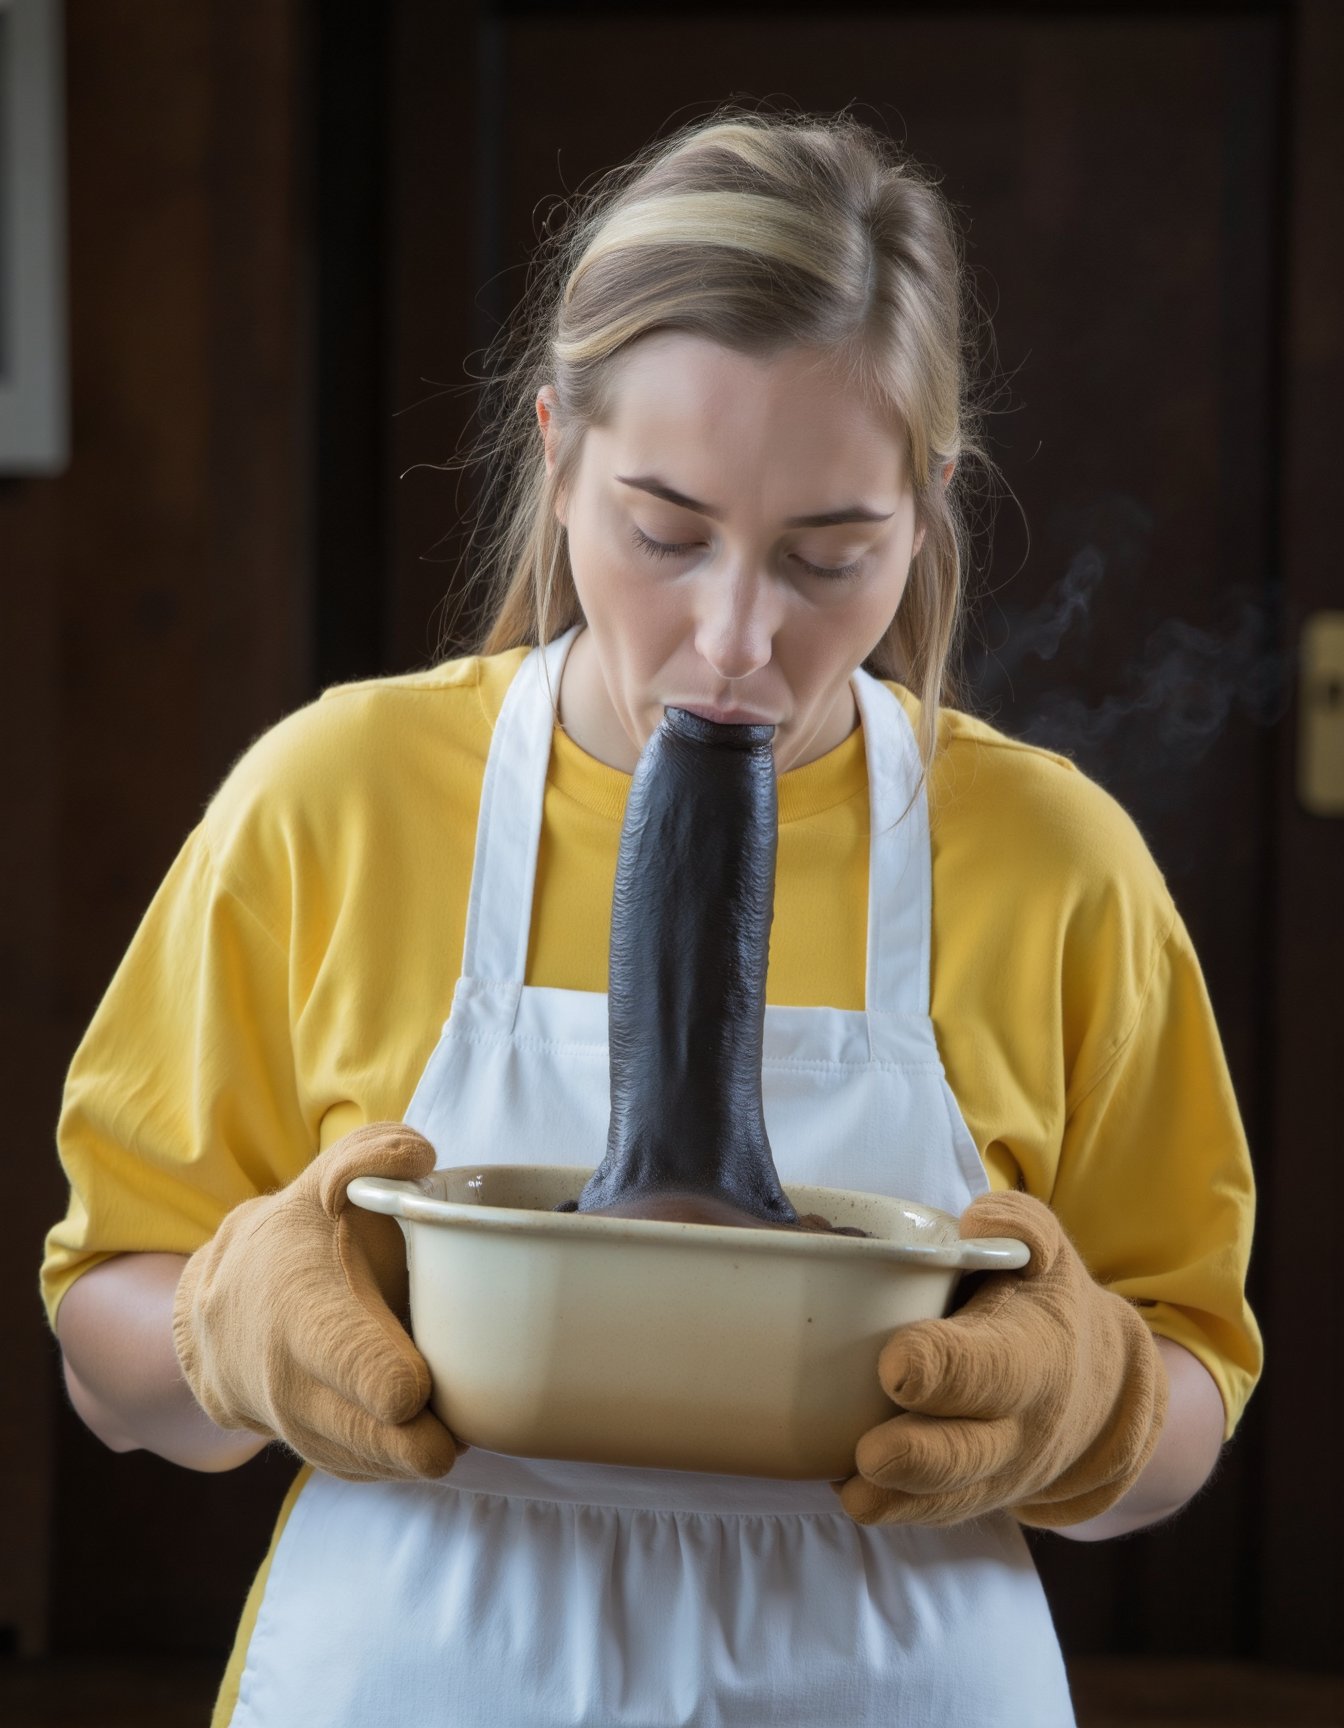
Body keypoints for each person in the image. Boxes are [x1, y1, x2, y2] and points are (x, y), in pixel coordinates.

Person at [43, 106, 1261, 1726]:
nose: (737, 635)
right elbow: (101, 1357)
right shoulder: (331, 797)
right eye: (664, 533)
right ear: (556, 455)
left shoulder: (1055, 863)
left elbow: (1183, 1413)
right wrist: (223, 1327)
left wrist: (1097, 1405)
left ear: (931, 508)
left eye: (830, 554)